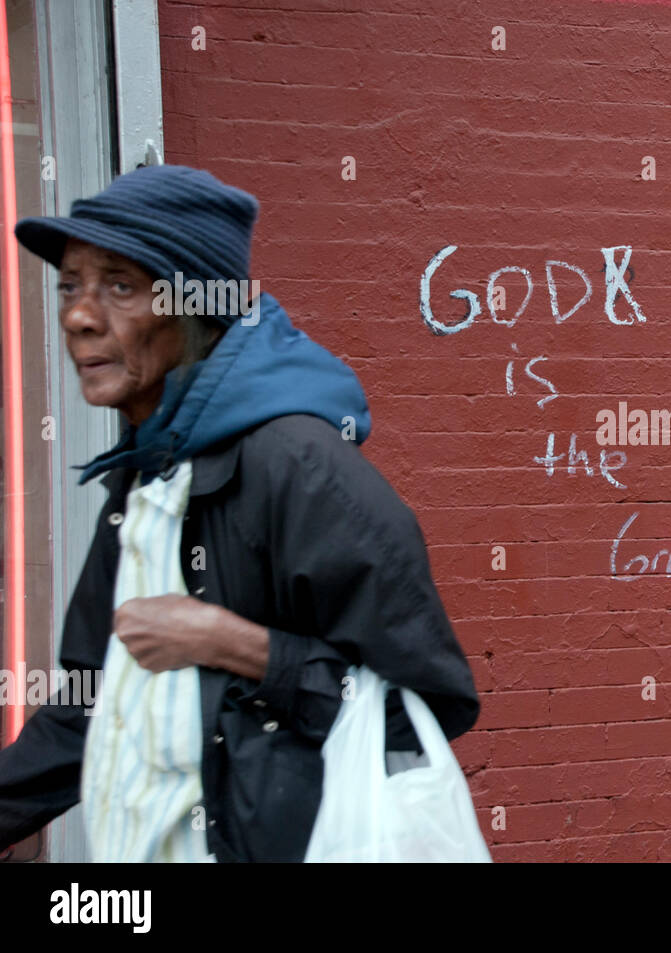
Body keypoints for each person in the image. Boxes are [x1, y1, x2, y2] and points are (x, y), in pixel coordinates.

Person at [0, 164, 479, 861]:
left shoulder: (300, 467)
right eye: (71, 284)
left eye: (122, 286)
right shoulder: (143, 475)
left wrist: (232, 643)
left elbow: (427, 700)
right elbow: (88, 706)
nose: (77, 314)